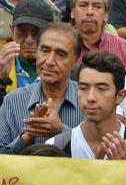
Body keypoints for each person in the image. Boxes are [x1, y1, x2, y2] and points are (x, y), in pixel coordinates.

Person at [0, 22, 81, 154]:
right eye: (44, 50)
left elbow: (99, 154)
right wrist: (25, 138)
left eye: (61, 54)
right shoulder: (12, 101)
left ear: (75, 61)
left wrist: (62, 132)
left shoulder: (88, 101)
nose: (49, 61)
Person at [52, 50, 126, 158]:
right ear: (77, 91)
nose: (91, 98)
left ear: (120, 96)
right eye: (84, 88)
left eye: (102, 89)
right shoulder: (55, 147)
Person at [70, 0, 126, 67]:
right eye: (83, 5)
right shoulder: (60, 46)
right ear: (72, 12)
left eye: (97, 6)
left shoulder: (124, 49)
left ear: (106, 15)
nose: (89, 12)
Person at [0, 0, 55, 96]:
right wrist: (2, 81)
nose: (29, 40)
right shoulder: (2, 63)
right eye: (22, 32)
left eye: (37, 32)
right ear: (12, 31)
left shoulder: (65, 69)